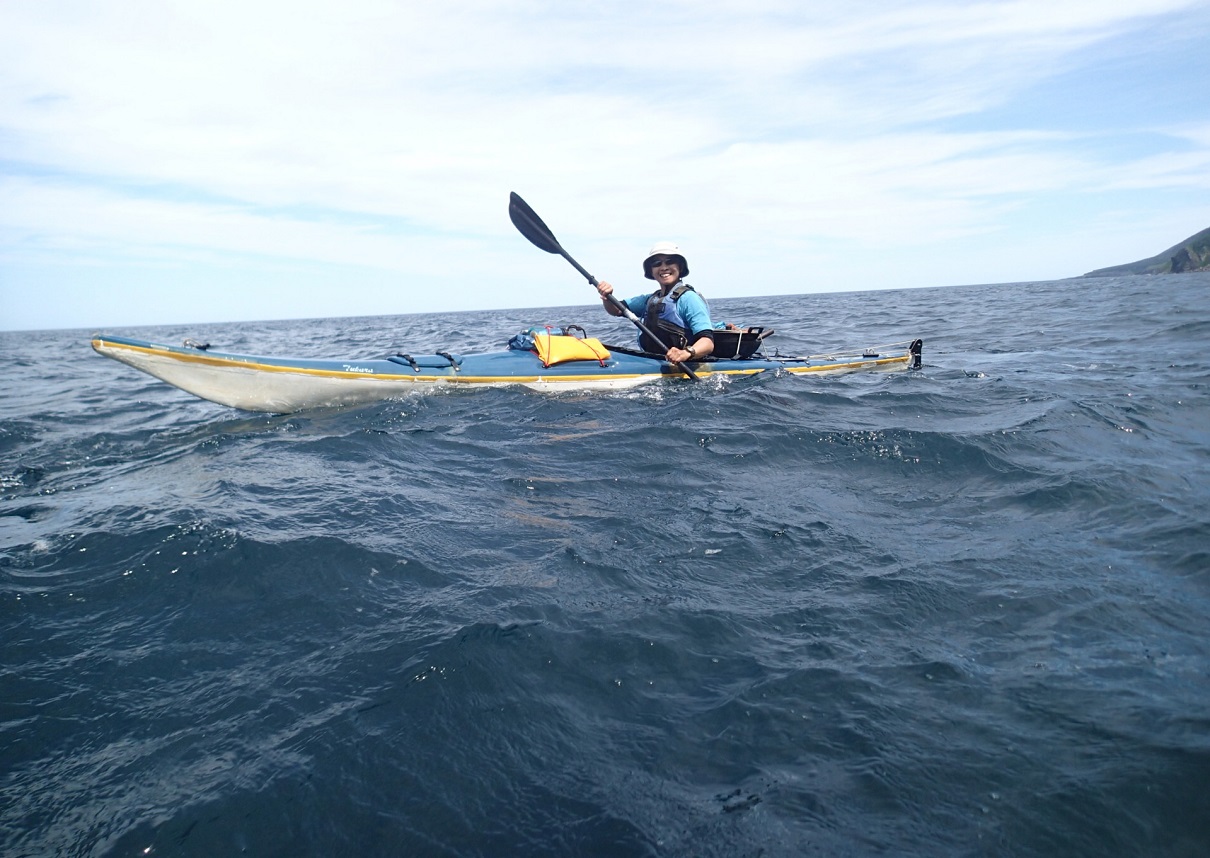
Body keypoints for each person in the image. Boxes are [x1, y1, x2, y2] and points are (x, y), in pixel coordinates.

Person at [596, 241, 717, 363]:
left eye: (669, 261)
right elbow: (615, 309)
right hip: (654, 361)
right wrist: (607, 295)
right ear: (651, 271)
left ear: (680, 267)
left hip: (684, 365)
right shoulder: (650, 299)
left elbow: (707, 343)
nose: (664, 267)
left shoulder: (689, 298)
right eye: (657, 263)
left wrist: (685, 353)